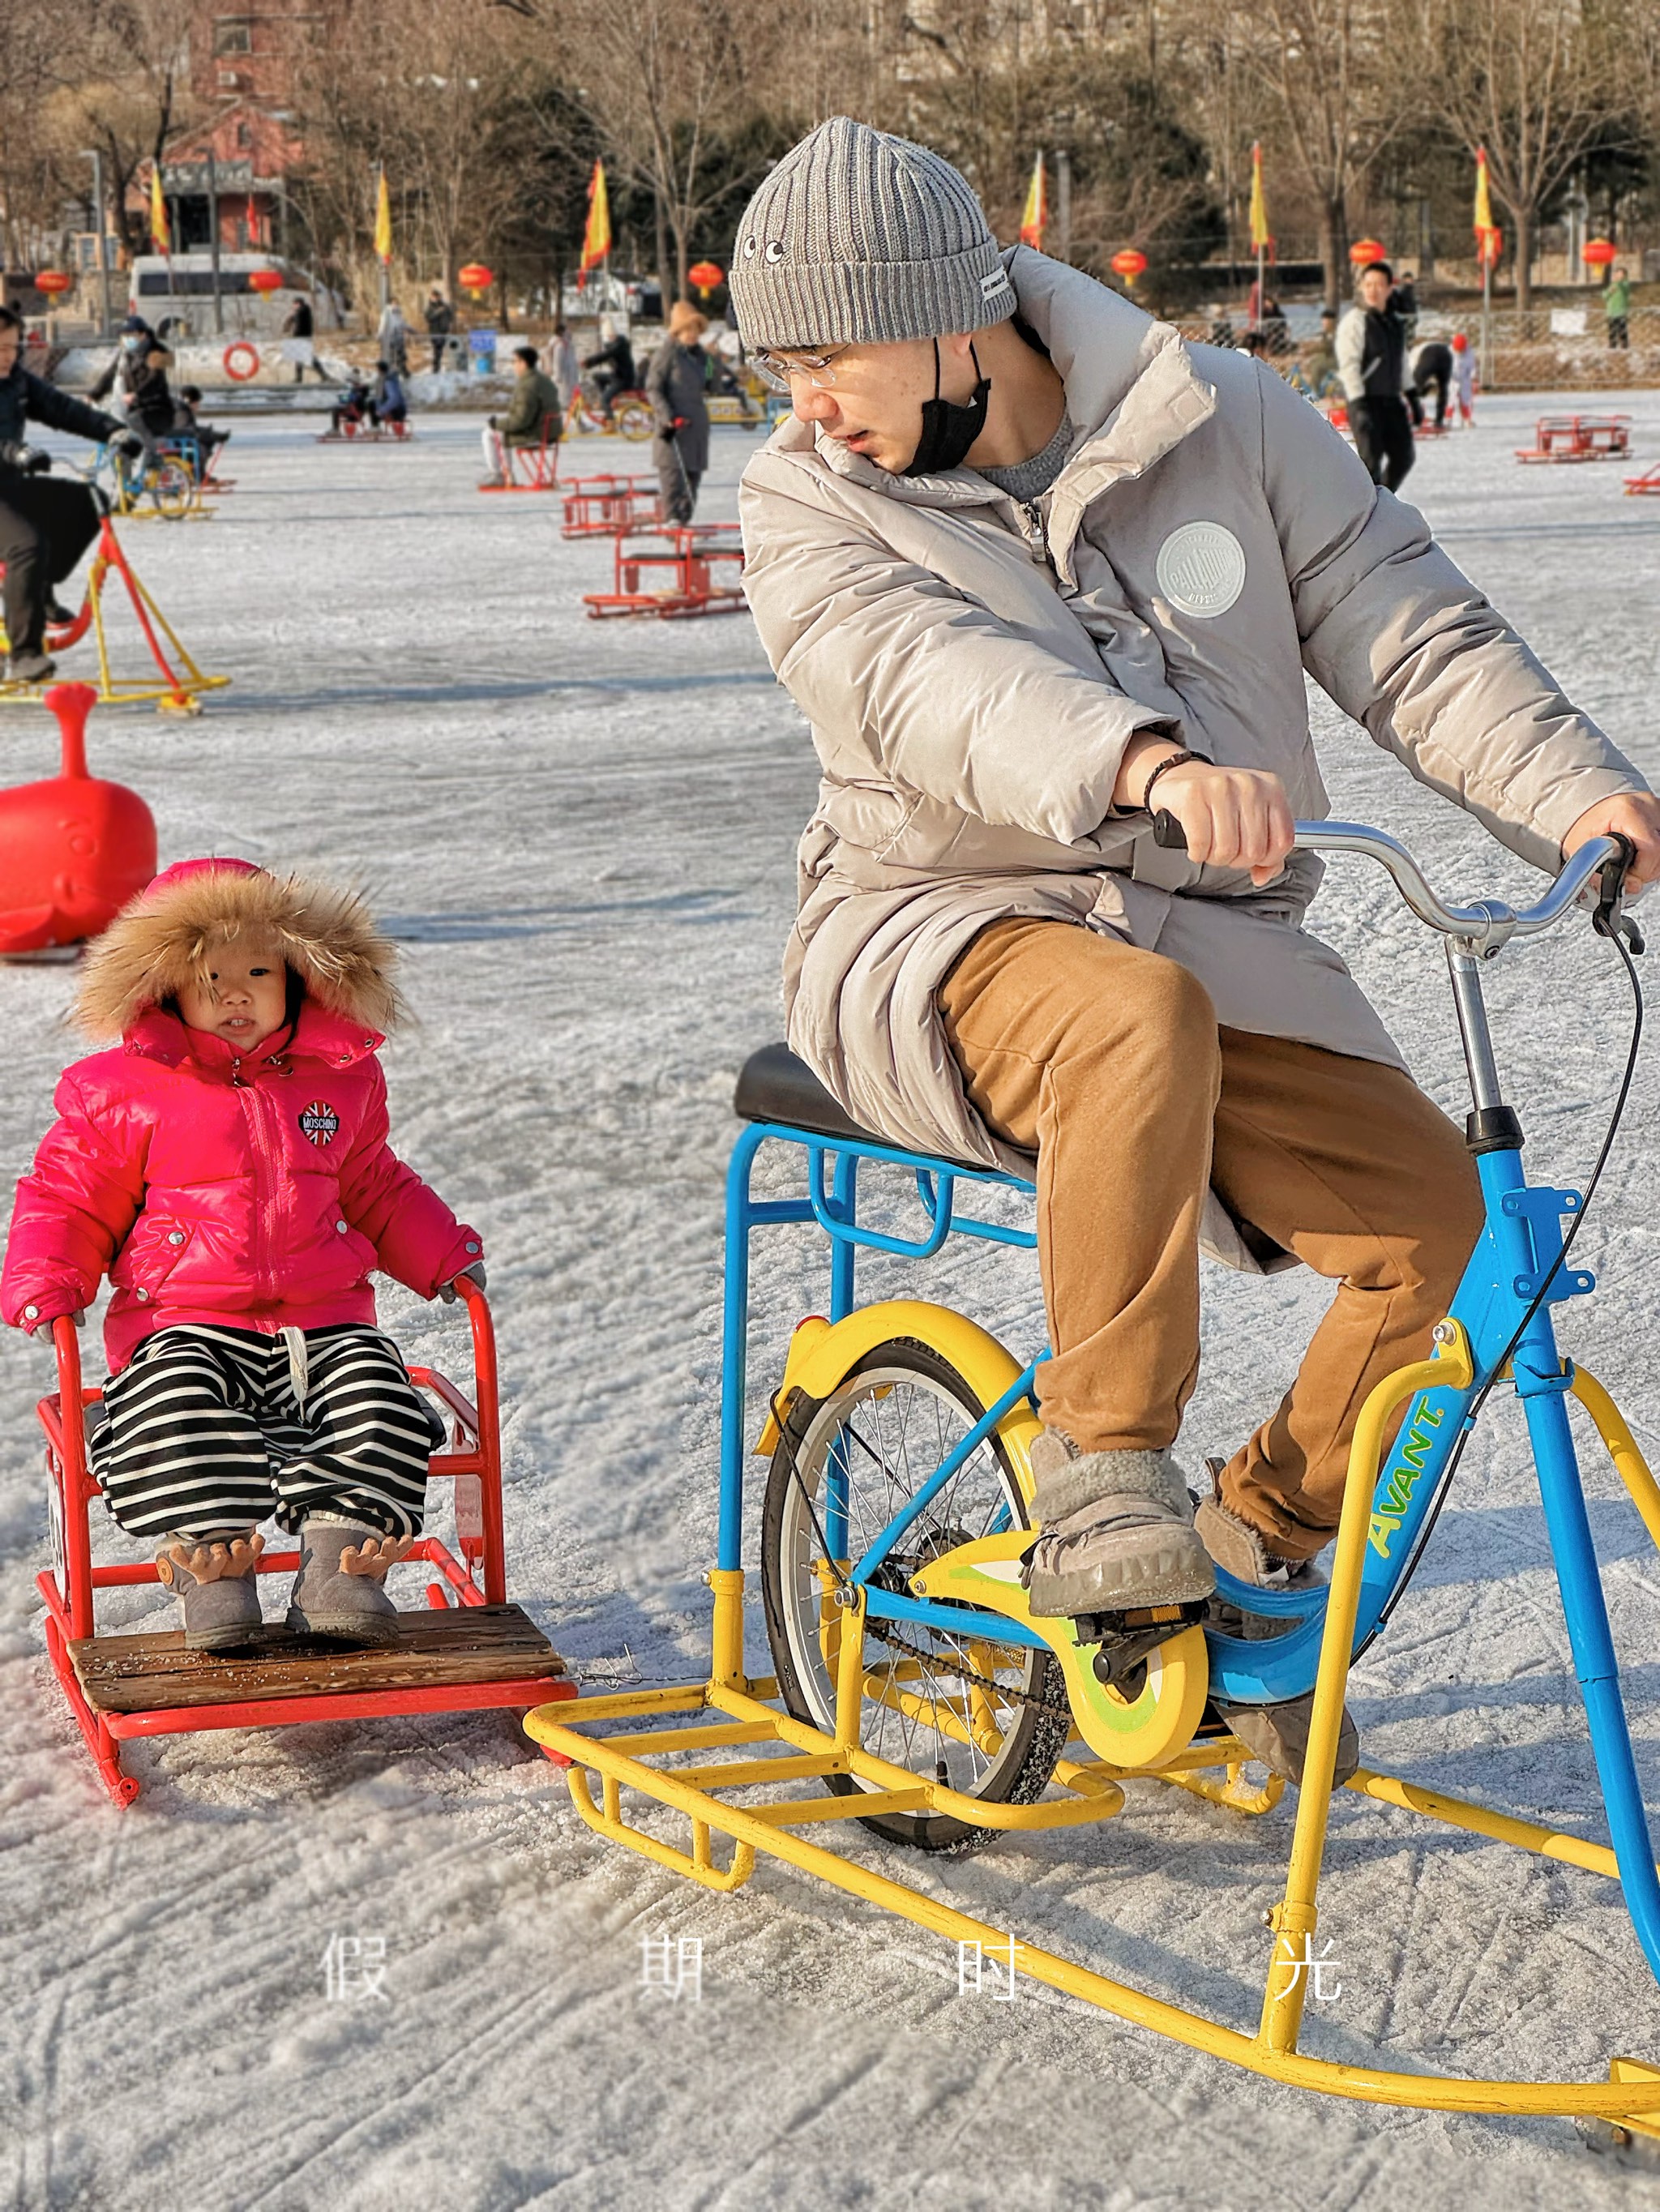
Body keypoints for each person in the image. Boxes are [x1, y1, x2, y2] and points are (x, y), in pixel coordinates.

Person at [728, 118, 1660, 1782]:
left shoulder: (1221, 420)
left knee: (1432, 1220)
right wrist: (1139, 760)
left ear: (955, 312)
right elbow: (929, 689)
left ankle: (1257, 1535)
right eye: (781, 366)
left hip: (1202, 927)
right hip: (933, 920)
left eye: (825, 354)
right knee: (1125, 1016)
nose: (806, 399)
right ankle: (1105, 1475)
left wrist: (1578, 792)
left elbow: (1405, 622)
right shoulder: (808, 502)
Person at [1, 859, 486, 1649]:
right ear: (166, 987)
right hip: (183, 1318)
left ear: (296, 977)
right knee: (174, 1404)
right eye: (211, 975)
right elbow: (69, 1191)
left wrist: (441, 1253)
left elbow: (375, 1184)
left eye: (258, 970)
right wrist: (47, 1275)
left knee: (380, 1397)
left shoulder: (340, 1080)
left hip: (323, 1319)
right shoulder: (124, 1088)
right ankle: (211, 1564)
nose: (235, 992)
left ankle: (341, 1565)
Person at [0, 306, 139, 684]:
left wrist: (112, 431)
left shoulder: (18, 382)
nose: (8, 357)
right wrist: (14, 452)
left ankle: (39, 588)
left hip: (9, 484)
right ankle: (25, 654)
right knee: (26, 545)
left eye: (13, 348)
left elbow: (63, 409)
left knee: (86, 502)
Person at [1337, 259, 1414, 490]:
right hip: (1365, 400)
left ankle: (1383, 505)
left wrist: (1412, 395)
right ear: (1362, 287)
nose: (1373, 290)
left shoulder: (1395, 323)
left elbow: (1401, 360)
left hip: (1390, 400)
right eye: (1368, 284)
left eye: (1379, 285)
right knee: (1371, 463)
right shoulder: (1356, 321)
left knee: (1404, 457)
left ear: (1390, 289)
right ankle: (1366, 517)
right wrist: (1358, 404)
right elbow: (1348, 364)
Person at [646, 300, 712, 522]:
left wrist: (715, 363)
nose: (693, 335)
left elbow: (711, 384)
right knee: (674, 475)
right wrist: (667, 416)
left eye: (696, 330)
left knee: (693, 477)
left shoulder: (700, 356)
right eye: (688, 330)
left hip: (696, 427)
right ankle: (672, 519)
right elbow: (653, 388)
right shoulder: (667, 354)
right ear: (678, 331)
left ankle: (684, 521)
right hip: (674, 427)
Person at [480, 344, 563, 485]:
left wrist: (496, 424)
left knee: (490, 433)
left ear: (523, 363)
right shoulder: (543, 380)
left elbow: (521, 420)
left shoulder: (527, 386)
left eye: (514, 362)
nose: (513, 366)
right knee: (501, 432)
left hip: (536, 433)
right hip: (550, 431)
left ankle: (498, 475)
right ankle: (507, 475)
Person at [584, 318, 636, 417]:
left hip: (623, 379)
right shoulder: (615, 344)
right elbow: (604, 355)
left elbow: (606, 355)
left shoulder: (619, 345)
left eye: (610, 335)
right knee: (597, 377)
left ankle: (610, 421)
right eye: (608, 335)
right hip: (617, 376)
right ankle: (607, 401)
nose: (609, 337)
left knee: (604, 399)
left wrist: (588, 362)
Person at [173, 385, 232, 471]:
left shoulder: (183, 411)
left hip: (179, 443)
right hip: (180, 446)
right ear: (190, 402)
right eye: (197, 402)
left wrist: (209, 432)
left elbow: (191, 429)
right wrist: (212, 435)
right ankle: (199, 474)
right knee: (202, 447)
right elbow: (189, 431)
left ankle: (200, 473)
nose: (198, 405)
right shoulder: (182, 413)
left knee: (205, 442)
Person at [281, 292, 330, 385]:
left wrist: (293, 336)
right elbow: (294, 321)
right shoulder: (305, 311)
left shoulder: (301, 312)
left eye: (294, 304)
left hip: (302, 337)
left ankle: (301, 379)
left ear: (298, 304)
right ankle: (319, 376)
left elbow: (298, 326)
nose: (293, 306)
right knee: (303, 358)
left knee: (305, 358)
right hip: (305, 337)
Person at [1410, 336, 1453, 431]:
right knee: (1443, 388)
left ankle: (1417, 419)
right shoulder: (1421, 347)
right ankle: (1439, 421)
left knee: (1413, 388)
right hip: (1446, 354)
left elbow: (1412, 375)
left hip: (1429, 354)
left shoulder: (1414, 351)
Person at [543, 321, 580, 410]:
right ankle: (563, 421)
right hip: (564, 378)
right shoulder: (560, 345)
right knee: (566, 401)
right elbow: (557, 362)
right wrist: (558, 376)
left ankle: (576, 420)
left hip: (568, 376)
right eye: (568, 330)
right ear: (563, 332)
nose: (570, 332)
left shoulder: (565, 343)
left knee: (571, 400)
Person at [330, 374, 373, 438]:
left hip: (354, 415)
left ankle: (335, 430)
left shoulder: (359, 392)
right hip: (358, 413)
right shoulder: (360, 392)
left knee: (335, 409)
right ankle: (335, 429)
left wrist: (342, 398)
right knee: (336, 407)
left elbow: (351, 399)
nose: (352, 384)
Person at [425, 286, 455, 374]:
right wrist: (438, 312)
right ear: (431, 297)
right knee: (436, 350)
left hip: (443, 331)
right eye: (434, 297)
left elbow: (451, 317)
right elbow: (428, 318)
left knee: (441, 351)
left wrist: (449, 322)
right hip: (435, 332)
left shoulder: (445, 306)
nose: (436, 298)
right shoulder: (429, 307)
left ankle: (440, 367)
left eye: (437, 296)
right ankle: (436, 368)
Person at [369, 361, 406, 431]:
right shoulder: (382, 379)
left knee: (372, 404)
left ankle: (376, 426)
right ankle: (375, 427)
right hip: (389, 408)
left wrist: (382, 410)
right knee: (372, 403)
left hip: (397, 410)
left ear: (380, 370)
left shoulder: (389, 381)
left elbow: (394, 399)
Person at [377, 297, 410, 376]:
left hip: (399, 336)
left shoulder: (399, 312)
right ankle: (390, 372)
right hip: (390, 337)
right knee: (391, 355)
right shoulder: (386, 312)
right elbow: (382, 324)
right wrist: (380, 334)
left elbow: (402, 323)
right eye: (394, 303)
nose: (396, 305)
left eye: (397, 303)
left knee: (401, 355)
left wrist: (408, 331)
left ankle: (403, 370)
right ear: (390, 304)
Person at [1450, 330, 1476, 426]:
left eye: (1461, 350)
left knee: (1466, 399)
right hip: (1452, 379)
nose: (1460, 352)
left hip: (1465, 379)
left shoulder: (1470, 353)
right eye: (1458, 350)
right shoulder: (1450, 352)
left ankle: (1466, 419)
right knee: (1450, 399)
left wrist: (1473, 376)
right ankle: (1448, 419)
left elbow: (1472, 366)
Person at [1605, 265, 1632, 351]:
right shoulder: (1613, 285)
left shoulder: (1626, 284)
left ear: (1625, 275)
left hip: (1621, 313)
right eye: (1617, 273)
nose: (1618, 275)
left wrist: (1616, 282)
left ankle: (1625, 349)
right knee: (1612, 333)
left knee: (1622, 332)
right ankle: (1612, 349)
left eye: (1620, 273)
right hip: (1611, 313)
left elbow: (1624, 289)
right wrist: (1609, 291)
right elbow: (1604, 296)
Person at [1388, 267, 1419, 342]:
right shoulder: (1401, 292)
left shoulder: (1407, 291)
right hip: (1406, 316)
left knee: (1408, 337)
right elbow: (1396, 305)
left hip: (1409, 316)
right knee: (1407, 337)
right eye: (1407, 279)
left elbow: (1411, 304)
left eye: (1410, 279)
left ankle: (1409, 349)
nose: (1409, 281)